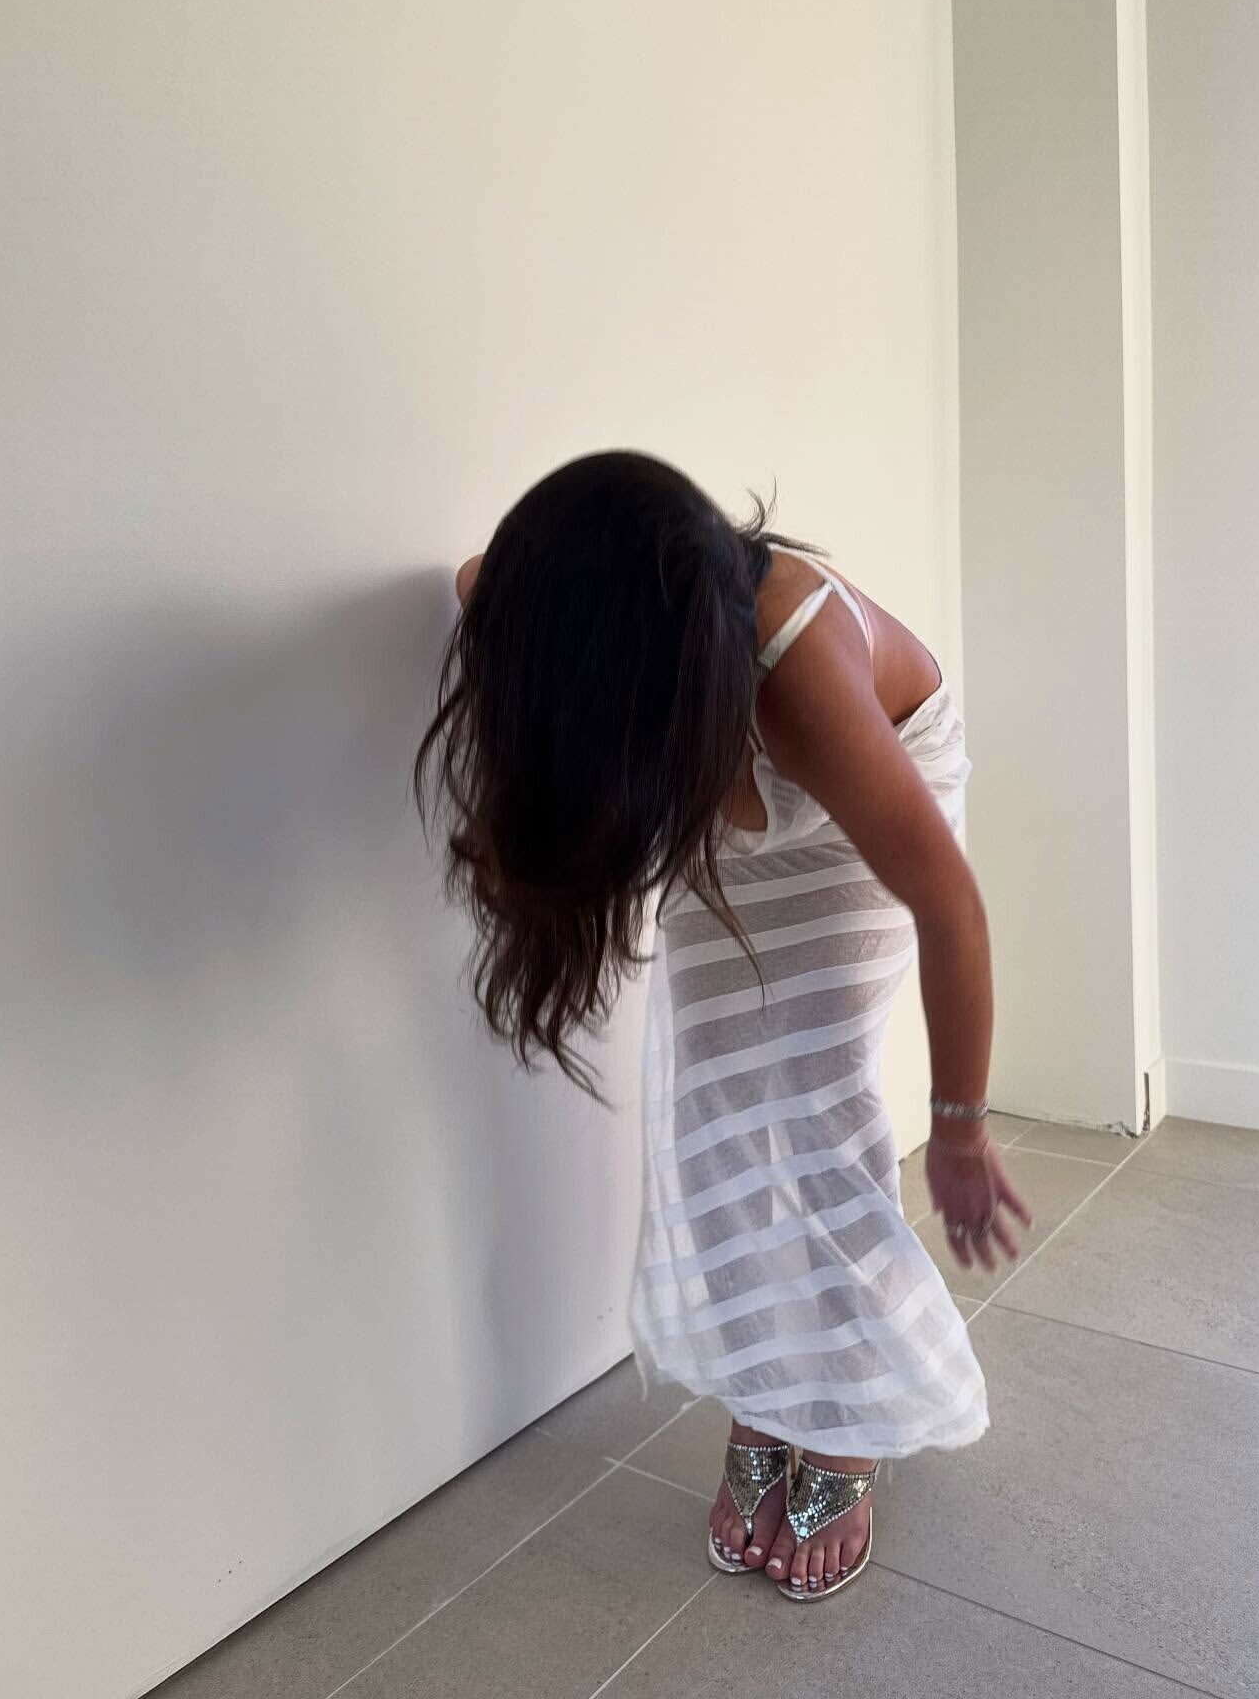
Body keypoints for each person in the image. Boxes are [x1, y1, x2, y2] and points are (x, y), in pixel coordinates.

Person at [413, 448, 1032, 1605]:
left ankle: (844, 1415)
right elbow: (476, 580)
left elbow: (950, 906)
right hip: (708, 784)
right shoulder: (534, 600)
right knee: (717, 1114)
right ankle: (766, 1396)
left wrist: (958, 1128)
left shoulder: (800, 670)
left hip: (854, 818)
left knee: (816, 1105)